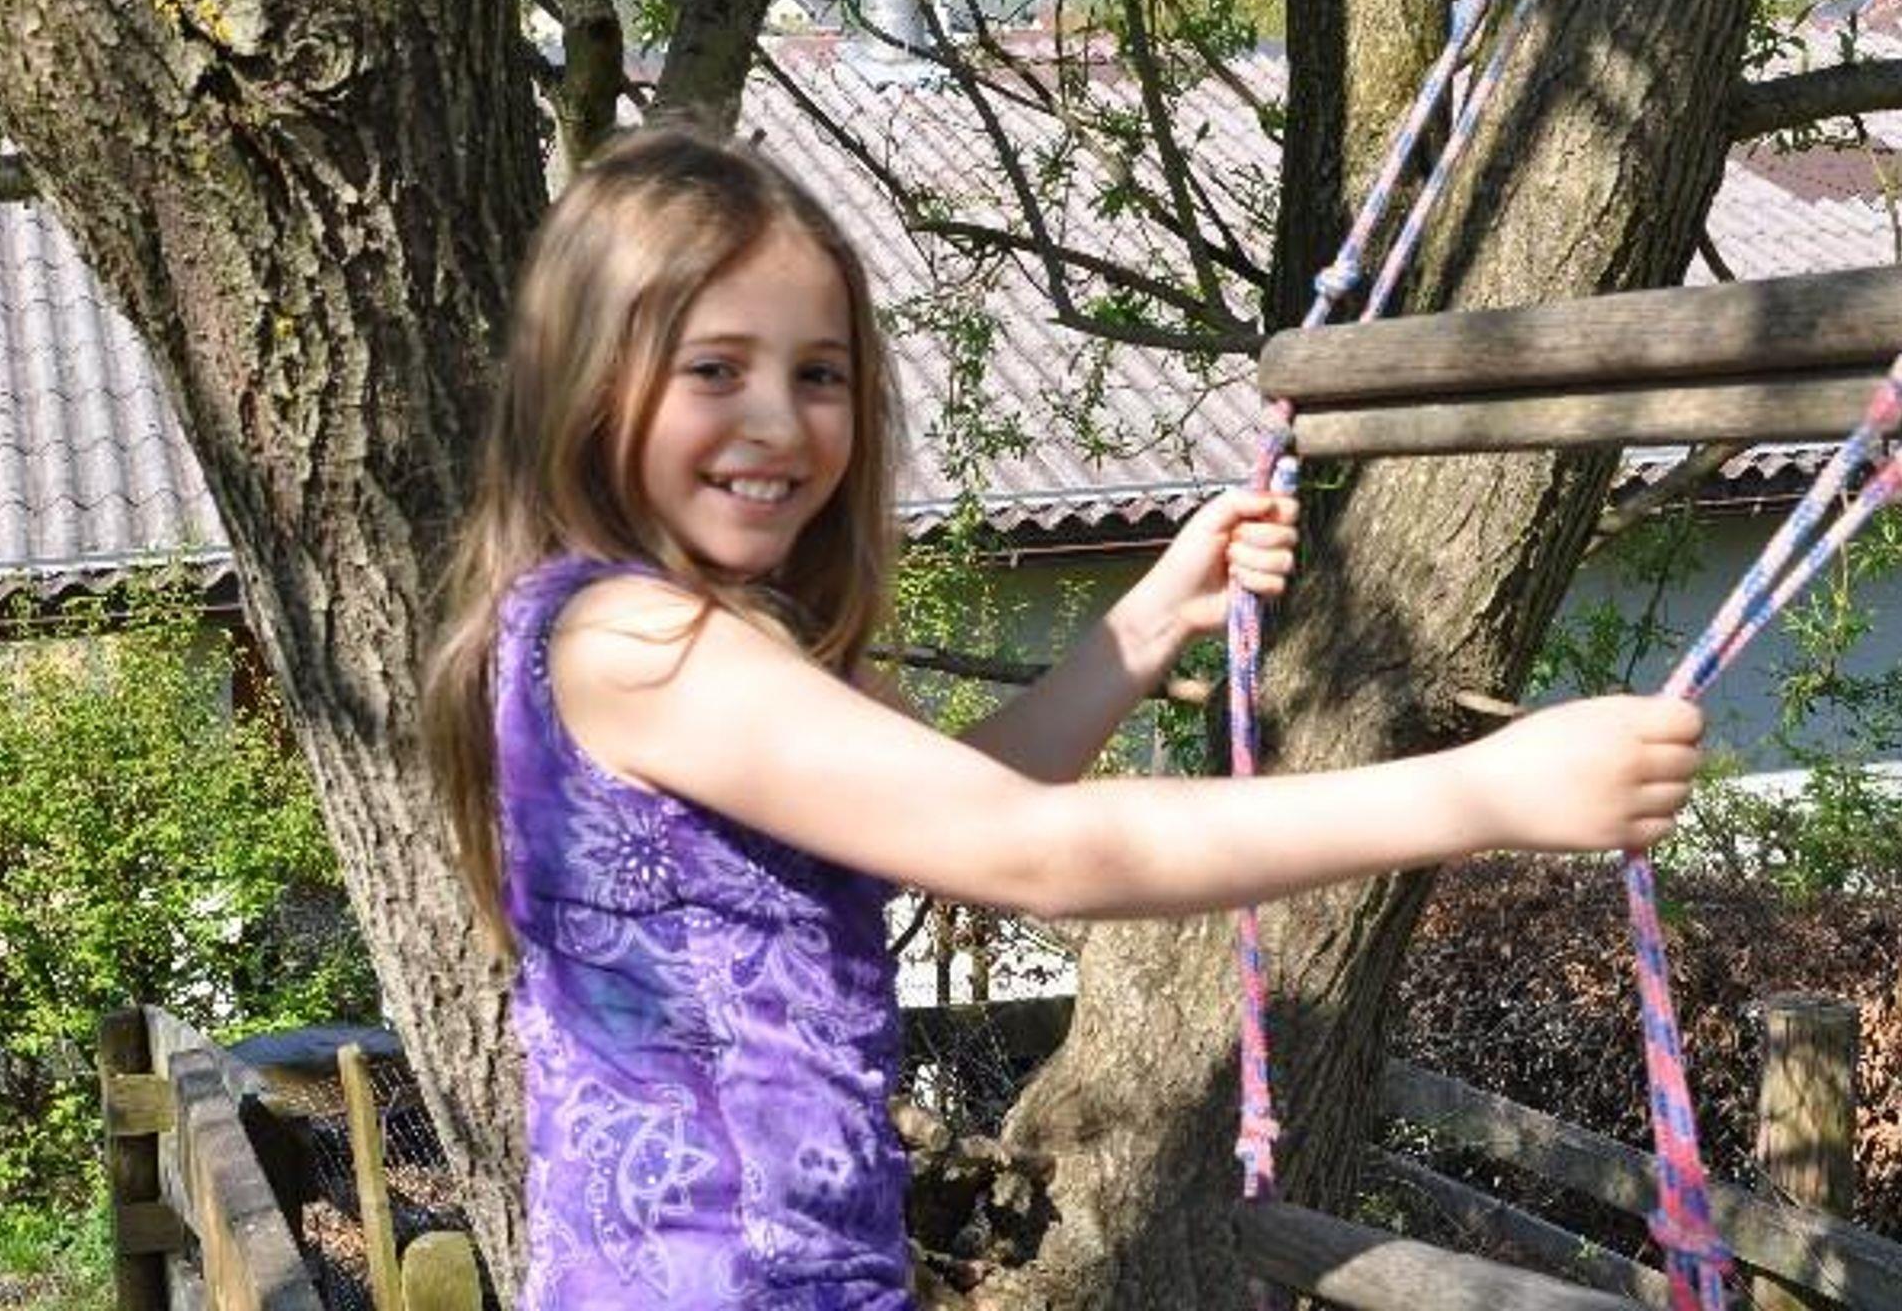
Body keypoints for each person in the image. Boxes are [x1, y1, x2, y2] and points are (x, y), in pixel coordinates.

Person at [420, 125, 1705, 1310]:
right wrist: (1478, 790)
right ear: (588, 384)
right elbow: (1033, 847)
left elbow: (957, 800)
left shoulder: (658, 632)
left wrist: (1145, 623)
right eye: (714, 368)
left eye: (818, 373)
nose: (777, 419)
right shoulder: (643, 645)